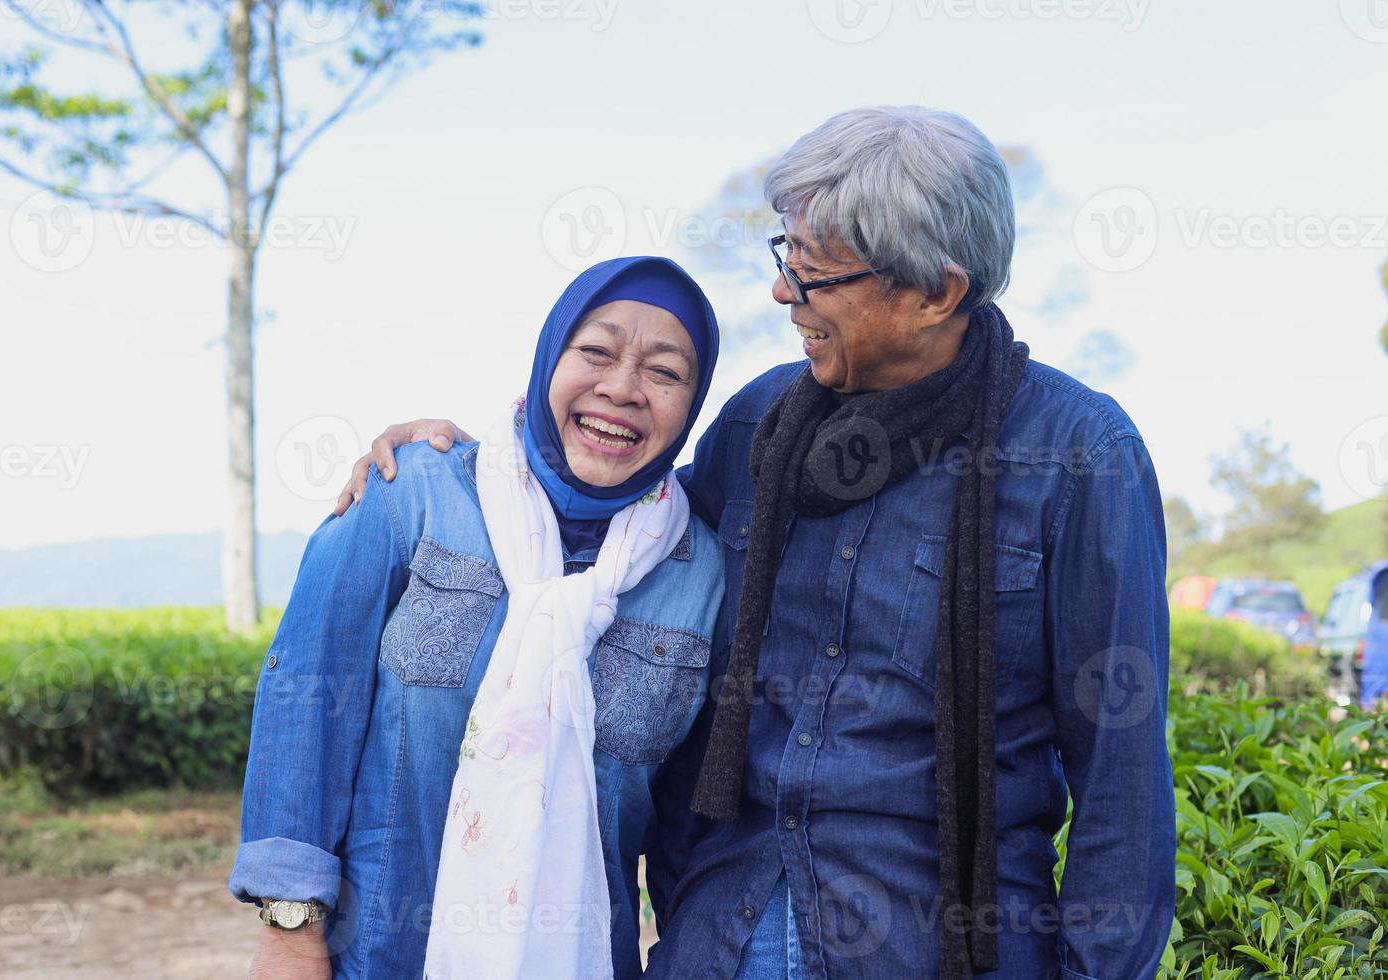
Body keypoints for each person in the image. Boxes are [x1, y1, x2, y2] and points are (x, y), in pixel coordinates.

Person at [338, 106, 1175, 979]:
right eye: (787, 257)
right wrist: (461, 469)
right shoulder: (757, 427)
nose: (784, 294)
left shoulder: (1079, 454)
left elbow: (1121, 772)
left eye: (815, 274)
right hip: (717, 933)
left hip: (933, 945)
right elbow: (611, 548)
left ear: (937, 294)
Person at [230, 255, 724, 979]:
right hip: (374, 957)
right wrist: (288, 927)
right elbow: (305, 704)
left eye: (665, 372)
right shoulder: (411, 493)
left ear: (694, 401)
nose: (621, 389)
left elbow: (689, 826)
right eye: (595, 351)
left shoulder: (703, 575)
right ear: (549, 355)